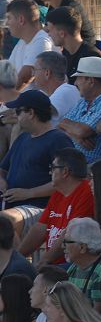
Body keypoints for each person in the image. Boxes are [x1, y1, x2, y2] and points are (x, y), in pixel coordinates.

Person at [0, 89, 73, 238]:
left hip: (39, 208)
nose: (15, 115)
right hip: (12, 204)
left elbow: (69, 181)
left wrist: (28, 193)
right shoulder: (23, 138)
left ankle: (14, 260)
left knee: (4, 221)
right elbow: (3, 169)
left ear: (31, 113)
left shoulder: (58, 140)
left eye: (18, 111)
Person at [18, 147, 92, 264]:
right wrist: (17, 258)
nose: (49, 172)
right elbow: (40, 228)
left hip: (72, 265)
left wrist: (43, 262)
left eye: (52, 168)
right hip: (54, 264)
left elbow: (70, 233)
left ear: (65, 172)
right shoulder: (58, 193)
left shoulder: (87, 191)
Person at [58, 56, 101, 163]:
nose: (75, 83)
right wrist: (75, 136)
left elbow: (83, 131)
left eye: (78, 78)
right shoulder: (85, 99)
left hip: (90, 166)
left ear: (90, 81)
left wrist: (76, 133)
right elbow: (60, 124)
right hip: (73, 161)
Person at [7, 0, 55, 89]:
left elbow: (25, 77)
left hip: (34, 102)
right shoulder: (22, 42)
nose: (7, 23)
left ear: (21, 20)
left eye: (9, 18)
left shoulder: (41, 41)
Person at [44, 6, 101, 79]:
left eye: (50, 30)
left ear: (62, 33)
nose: (49, 34)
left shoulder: (91, 57)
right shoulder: (65, 55)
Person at [61, 217, 101, 312]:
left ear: (82, 247)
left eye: (66, 242)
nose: (62, 246)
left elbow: (98, 317)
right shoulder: (74, 267)